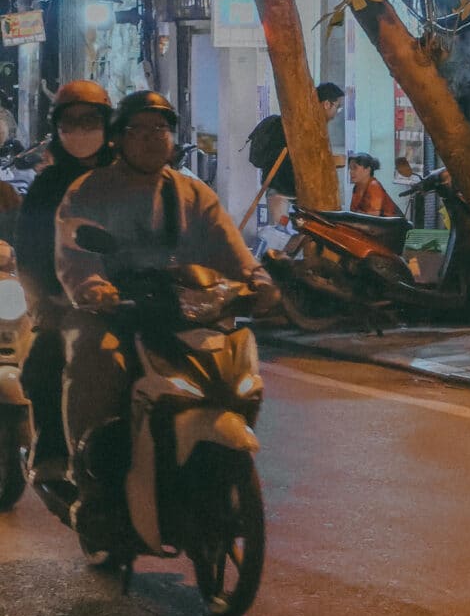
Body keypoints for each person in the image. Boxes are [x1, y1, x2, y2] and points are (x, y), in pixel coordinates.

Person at [57, 91, 274, 534]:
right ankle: (92, 481)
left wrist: (257, 280)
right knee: (95, 358)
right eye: (140, 129)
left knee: (232, 366)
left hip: (182, 312)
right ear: (118, 139)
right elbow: (75, 252)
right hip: (114, 313)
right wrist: (92, 286)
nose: (154, 138)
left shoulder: (194, 193)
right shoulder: (89, 191)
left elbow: (231, 249)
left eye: (162, 129)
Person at [14, 80, 114, 484]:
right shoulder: (48, 187)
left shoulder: (132, 179)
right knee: (44, 363)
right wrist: (43, 304)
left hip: (136, 302)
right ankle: (53, 448)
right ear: (57, 128)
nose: (81, 130)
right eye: (71, 122)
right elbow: (30, 252)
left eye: (90, 120)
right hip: (69, 306)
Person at [248, 81, 344, 220]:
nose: (337, 113)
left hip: (288, 192)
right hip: (284, 192)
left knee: (287, 236)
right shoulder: (304, 124)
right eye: (338, 107)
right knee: (281, 236)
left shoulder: (308, 123)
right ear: (327, 104)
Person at [347, 152, 401, 217]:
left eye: (355, 168)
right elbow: (353, 212)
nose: (351, 172)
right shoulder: (357, 187)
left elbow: (373, 217)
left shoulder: (374, 186)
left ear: (367, 170)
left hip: (391, 225)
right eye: (350, 168)